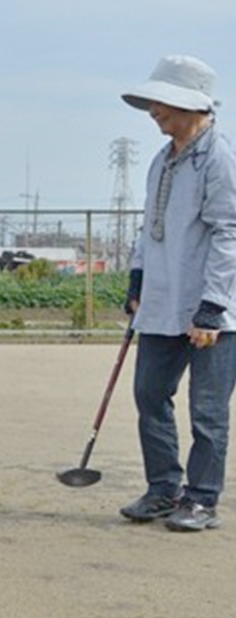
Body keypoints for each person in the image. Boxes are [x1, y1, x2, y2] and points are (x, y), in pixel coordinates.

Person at [119, 55, 236, 532]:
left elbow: (230, 233)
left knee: (207, 411)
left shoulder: (220, 157)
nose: (152, 112)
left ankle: (202, 499)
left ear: (190, 105)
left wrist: (212, 307)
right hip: (162, 301)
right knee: (149, 394)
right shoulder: (159, 160)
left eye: (160, 103)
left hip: (213, 311)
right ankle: (164, 488)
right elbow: (149, 228)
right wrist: (138, 278)